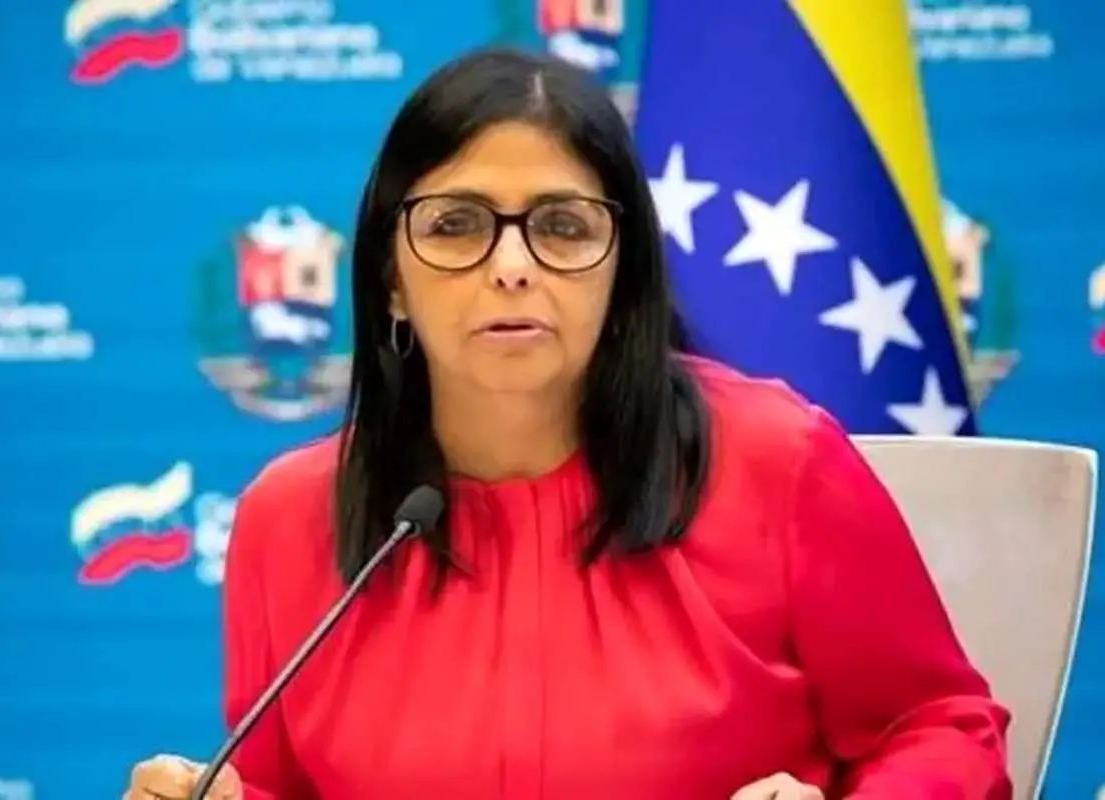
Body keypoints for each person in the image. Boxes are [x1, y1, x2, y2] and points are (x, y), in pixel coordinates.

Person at [125, 48, 1011, 799]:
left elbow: (944, 728)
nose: (512, 266)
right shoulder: (292, 518)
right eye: (456, 224)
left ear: (622, 272)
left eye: (562, 225)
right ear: (391, 277)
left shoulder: (778, 463)